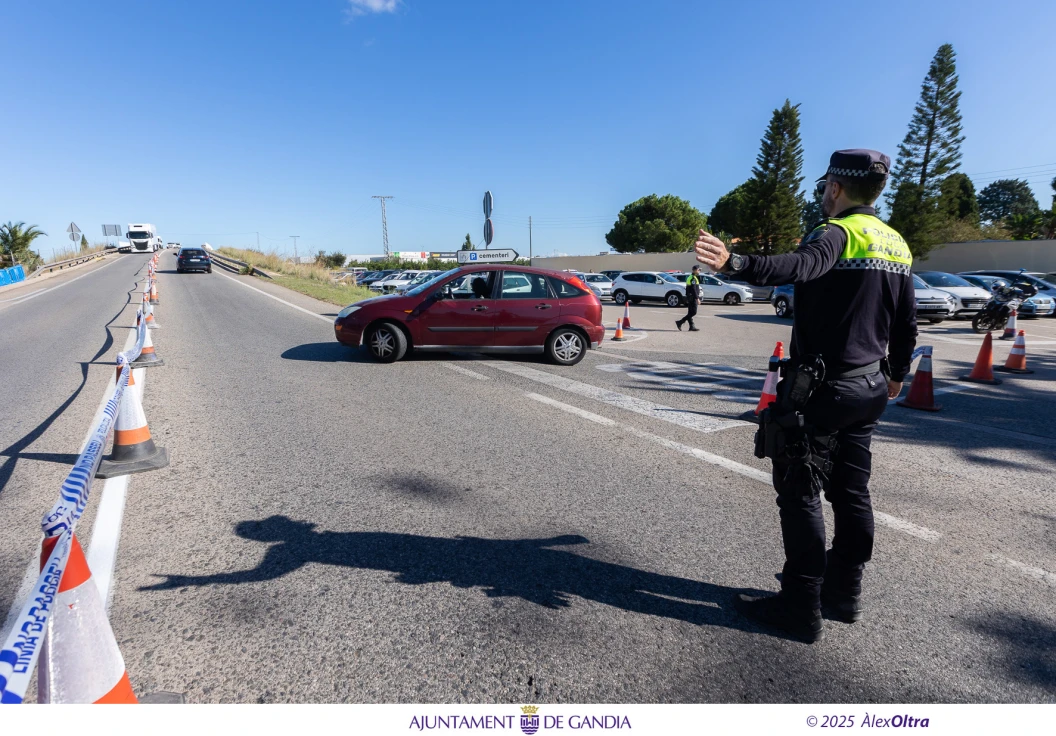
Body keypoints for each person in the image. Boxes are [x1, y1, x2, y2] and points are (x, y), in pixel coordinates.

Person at [694, 149, 917, 643]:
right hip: (871, 386)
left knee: (800, 494)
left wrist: (736, 262)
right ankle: (844, 594)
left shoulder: (835, 233)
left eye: (823, 187)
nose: (821, 195)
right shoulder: (896, 244)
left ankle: (800, 605)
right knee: (852, 493)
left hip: (821, 390)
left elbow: (800, 265)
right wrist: (897, 372)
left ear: (835, 188)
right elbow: (906, 321)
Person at [675, 266, 702, 331]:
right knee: (693, 312)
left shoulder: (692, 277)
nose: (700, 271)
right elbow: (693, 289)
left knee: (690, 312)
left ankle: (691, 326)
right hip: (692, 297)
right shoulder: (692, 278)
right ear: (695, 270)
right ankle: (680, 322)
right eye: (699, 270)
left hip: (690, 297)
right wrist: (697, 298)